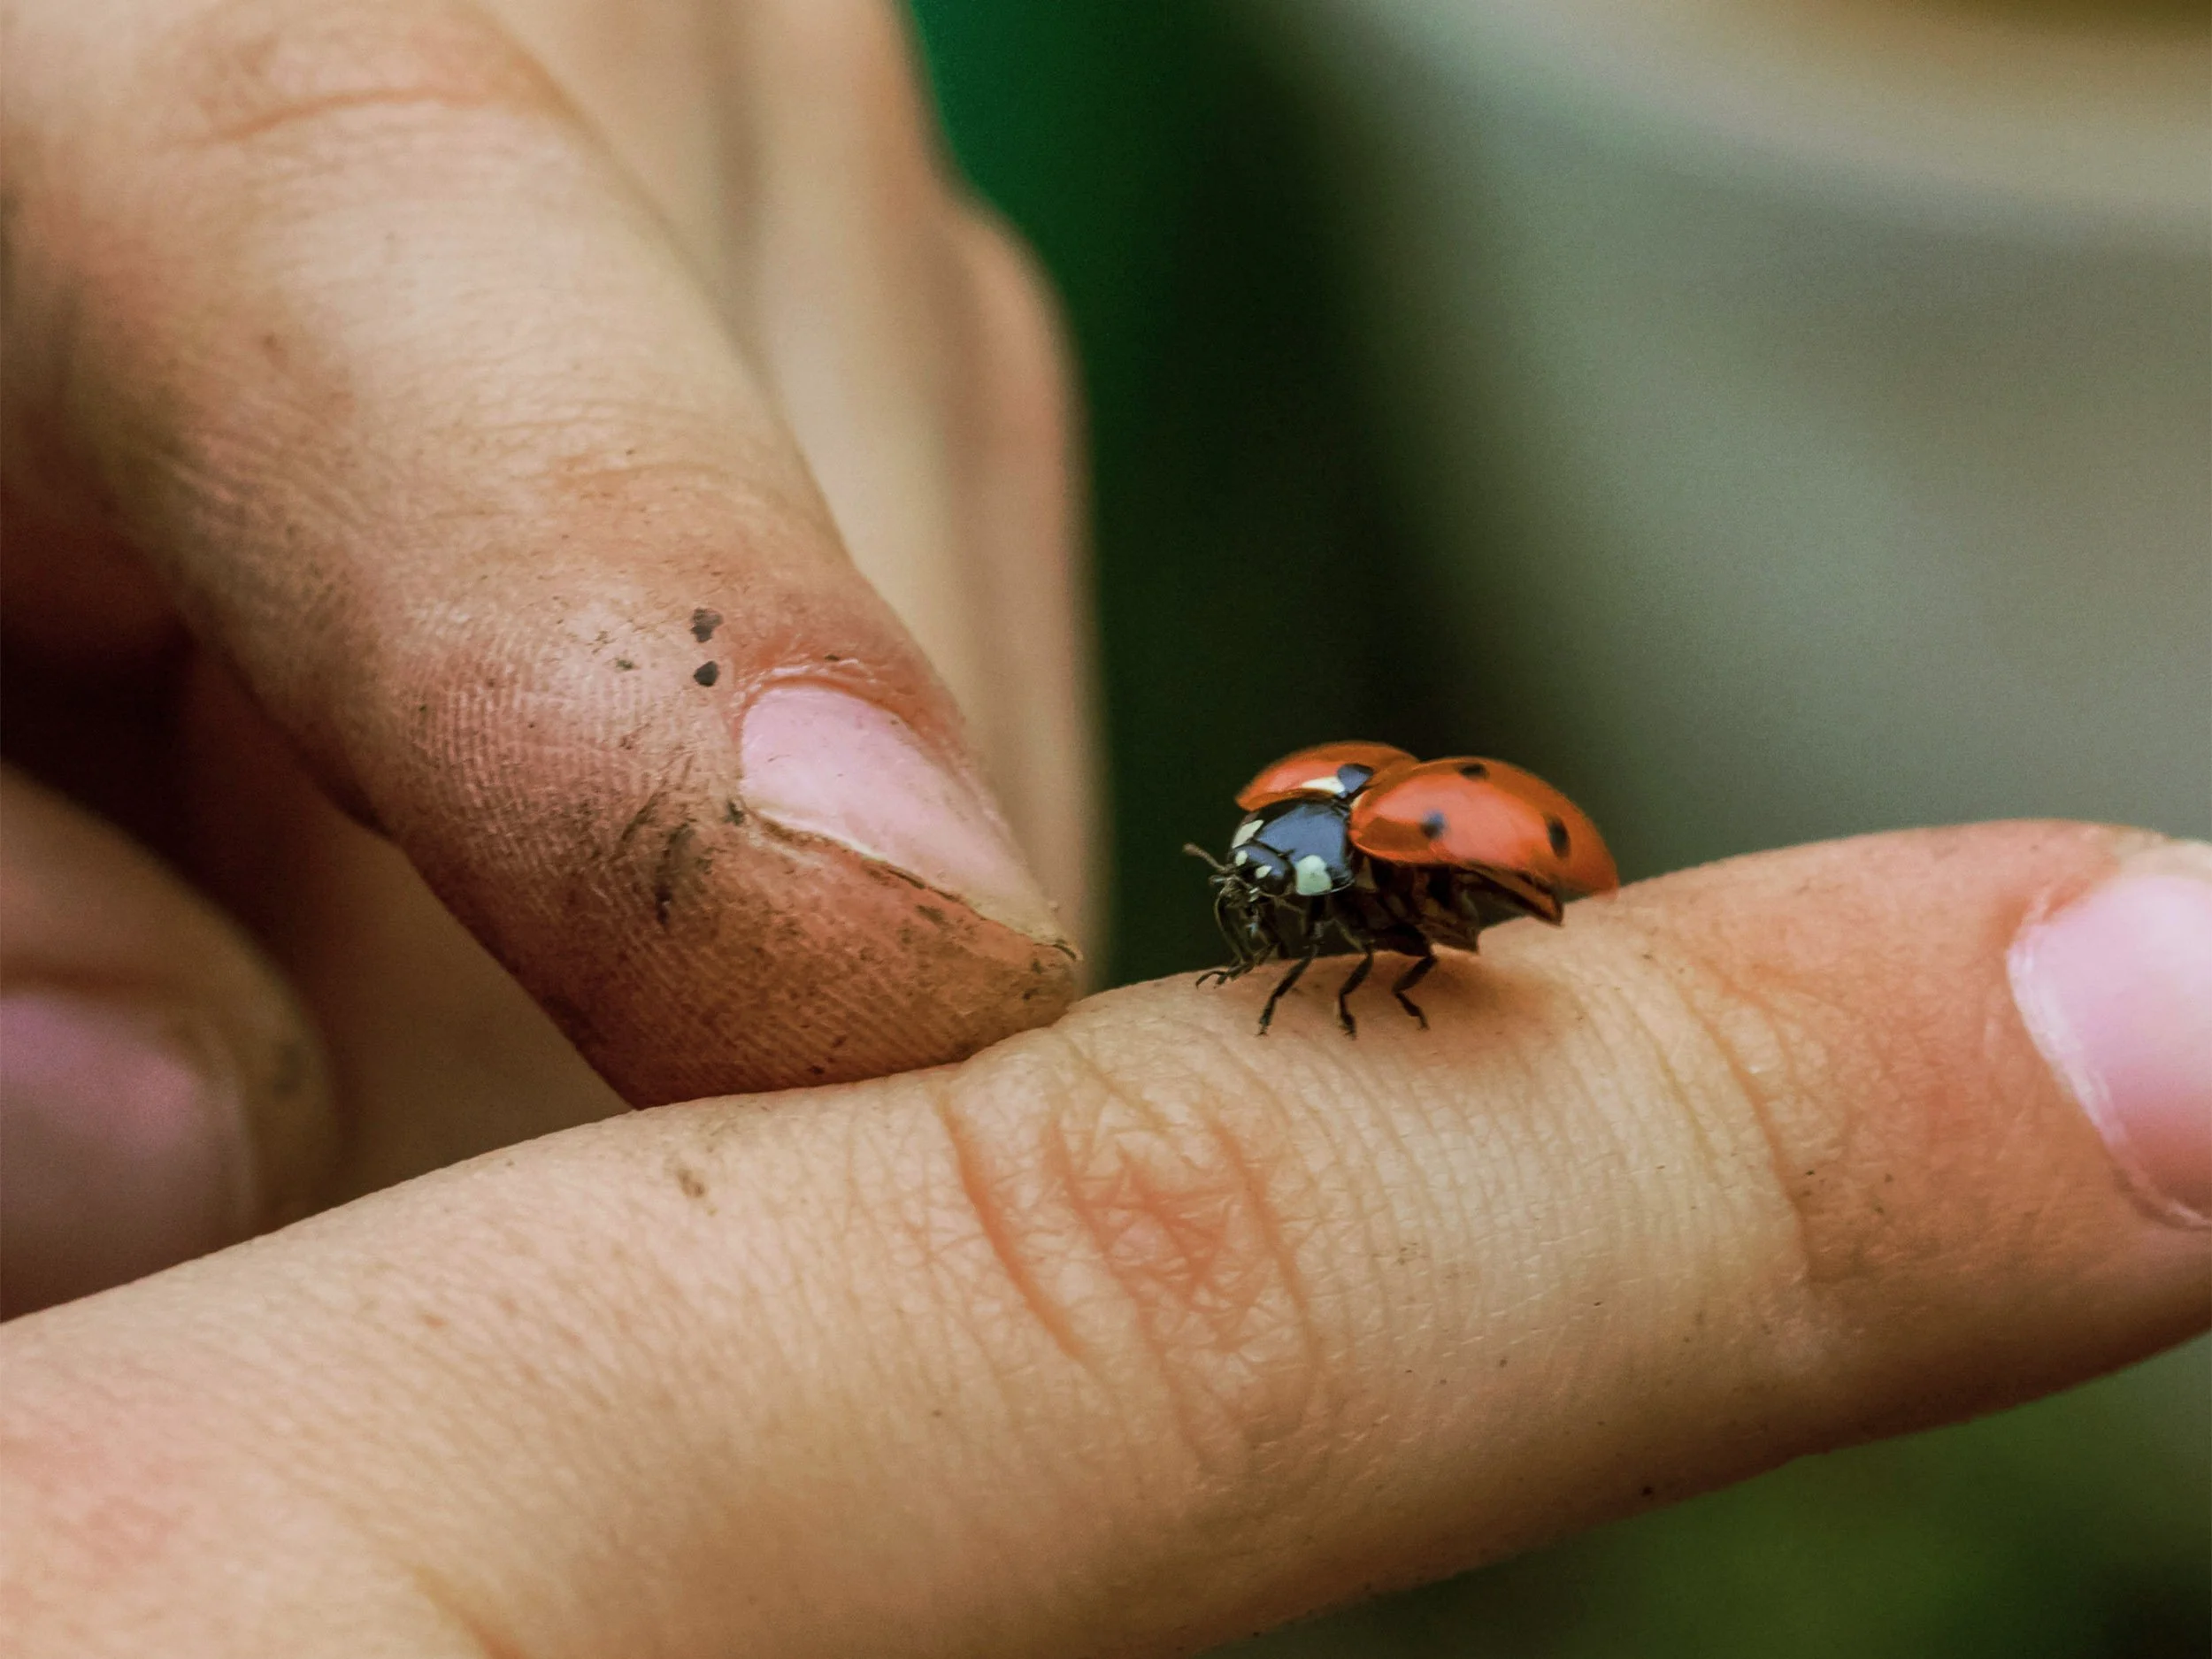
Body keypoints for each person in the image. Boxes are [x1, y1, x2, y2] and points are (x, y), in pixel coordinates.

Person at [2, 2, 2205, 1651]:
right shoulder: (1328, 854)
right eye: (1284, 908)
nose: (1276, 916)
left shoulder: (1397, 857)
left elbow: (1456, 881)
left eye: (1289, 908)